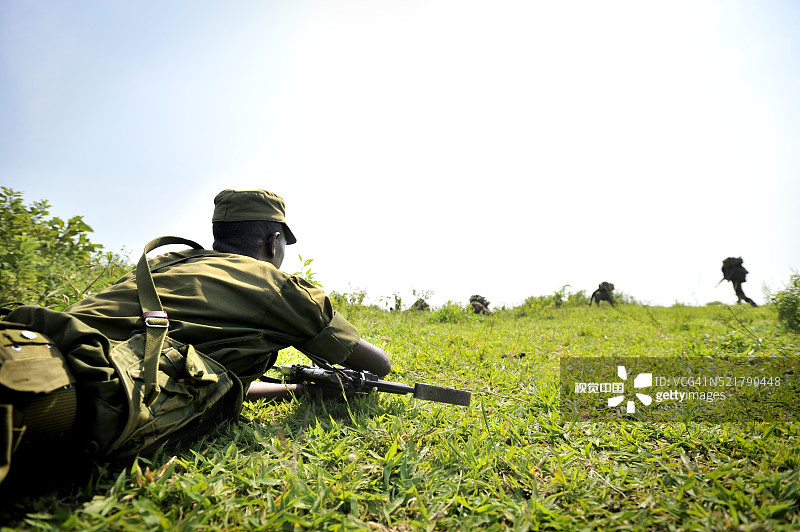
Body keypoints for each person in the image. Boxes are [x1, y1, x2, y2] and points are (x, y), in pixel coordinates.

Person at [2, 189, 390, 478]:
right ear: (273, 242)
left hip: (23, 338)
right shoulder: (279, 287)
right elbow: (378, 365)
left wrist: (299, 390)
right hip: (51, 385)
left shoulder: (164, 262)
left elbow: (187, 379)